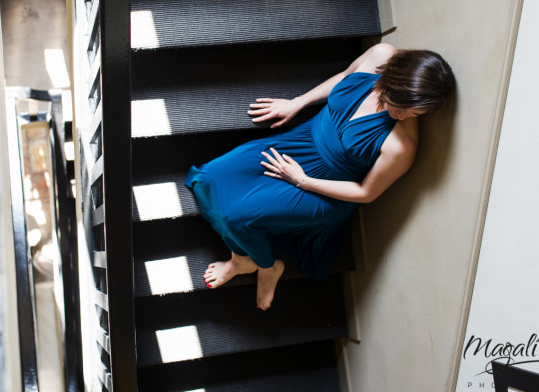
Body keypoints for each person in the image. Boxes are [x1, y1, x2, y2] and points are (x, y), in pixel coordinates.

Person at [184, 43, 455, 310]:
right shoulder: (381, 55)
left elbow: (366, 193)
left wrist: (301, 180)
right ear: (392, 78)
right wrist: (298, 102)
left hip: (326, 186)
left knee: (237, 215)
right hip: (301, 141)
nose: (403, 115)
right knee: (210, 177)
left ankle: (262, 266)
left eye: (414, 113)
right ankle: (247, 258)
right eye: (399, 104)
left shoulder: (401, 145)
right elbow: (345, 76)